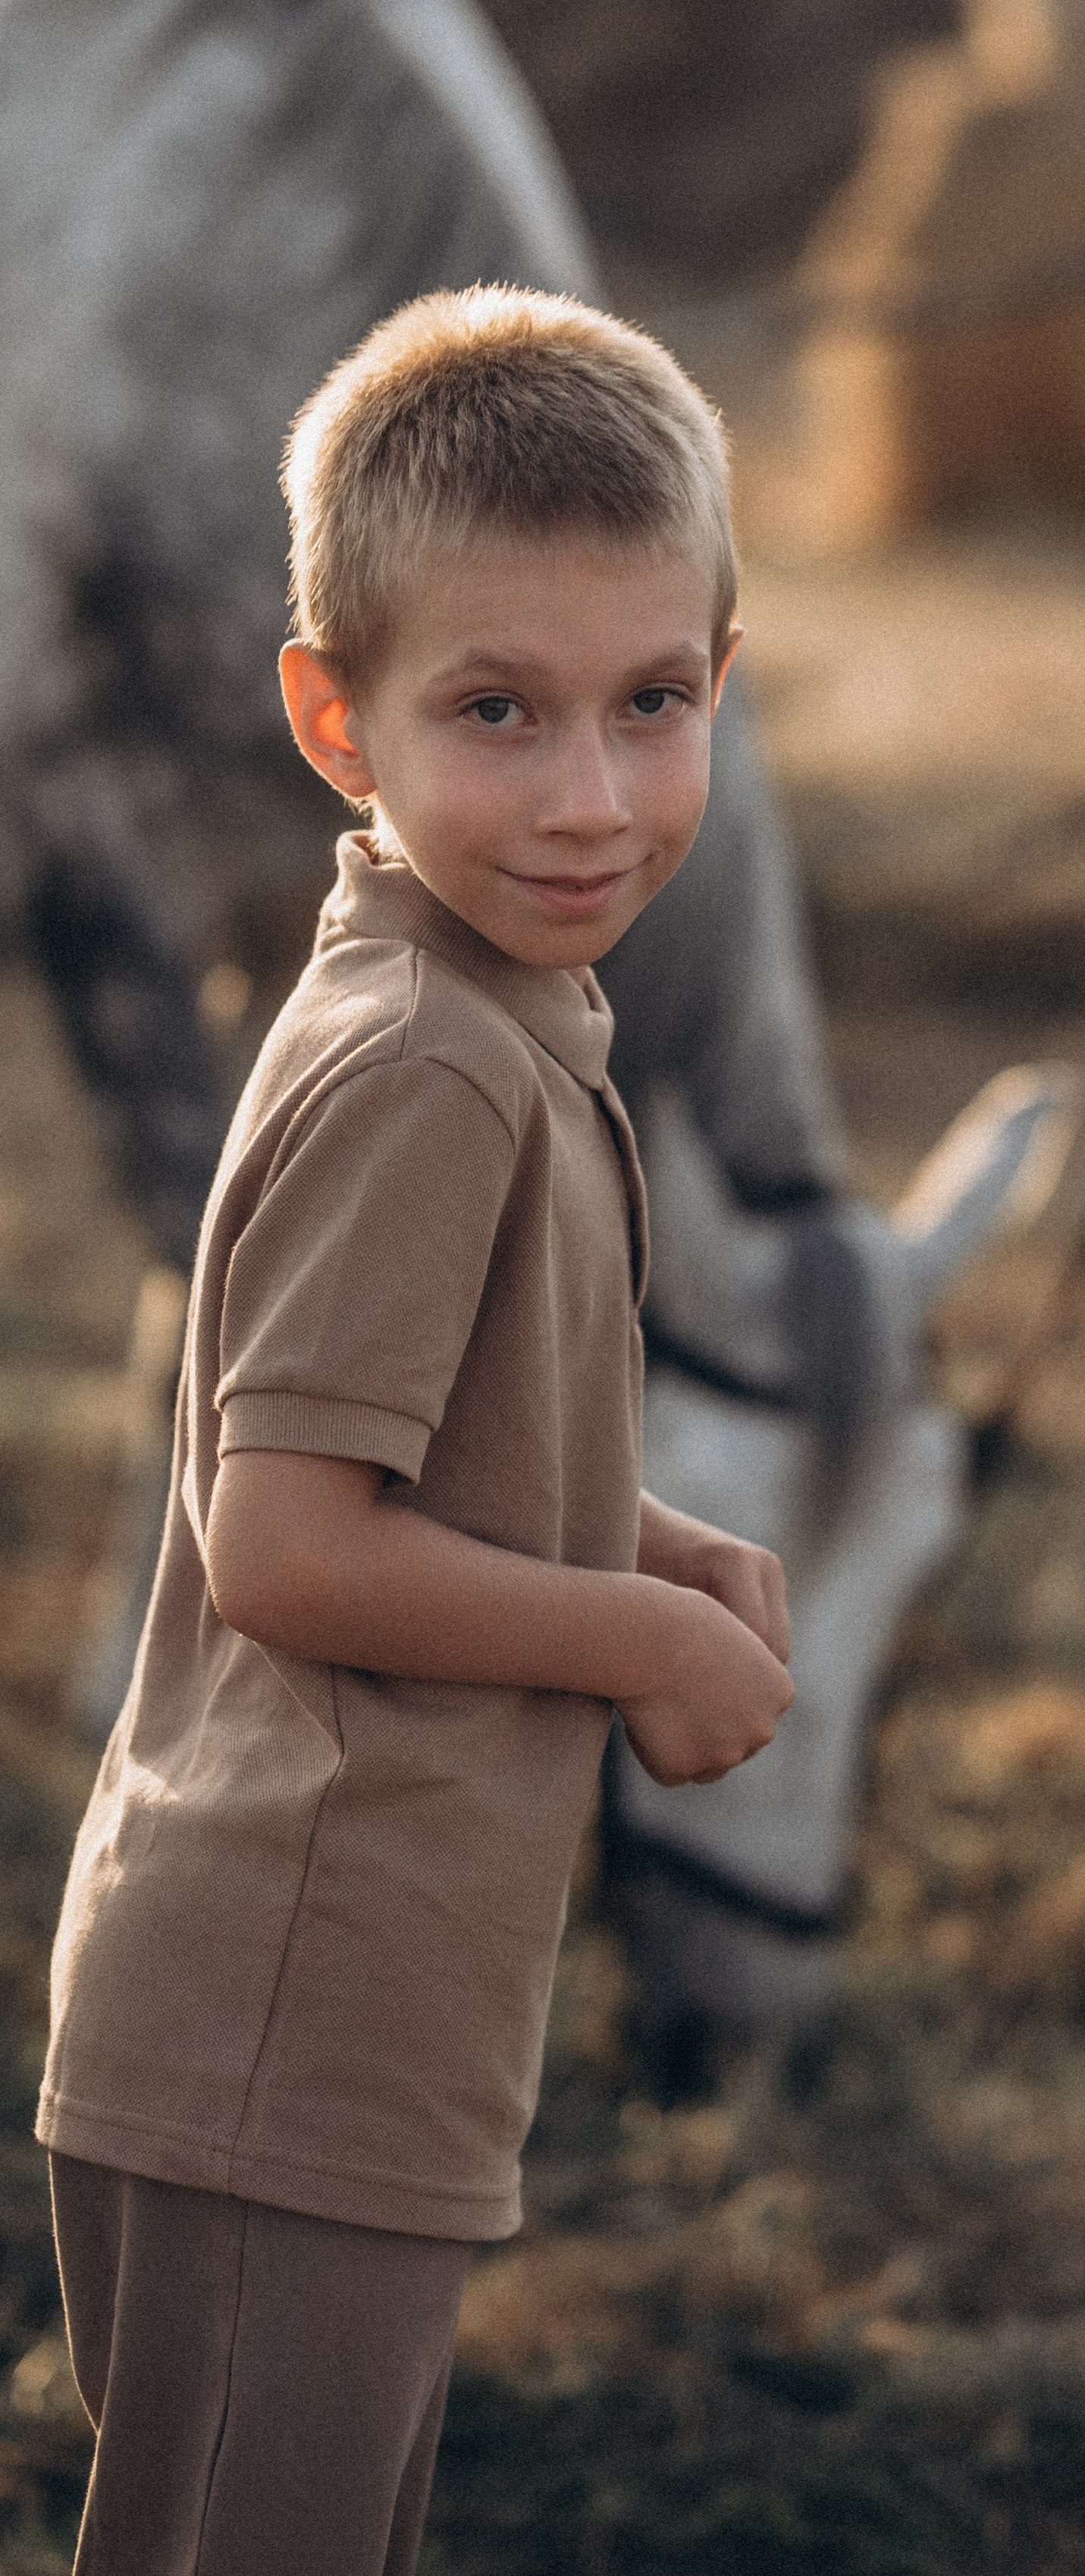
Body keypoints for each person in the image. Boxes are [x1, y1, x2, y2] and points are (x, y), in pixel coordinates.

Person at [35, 286, 796, 2576]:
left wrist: (633, 1543)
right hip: (288, 2019)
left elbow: (394, 1452)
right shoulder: (433, 1065)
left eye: (648, 703)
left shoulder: (473, 991)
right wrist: (627, 1644)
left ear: (721, 684)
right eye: (496, 711)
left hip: (337, 2011)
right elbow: (282, 1541)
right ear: (331, 716)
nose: (589, 790)